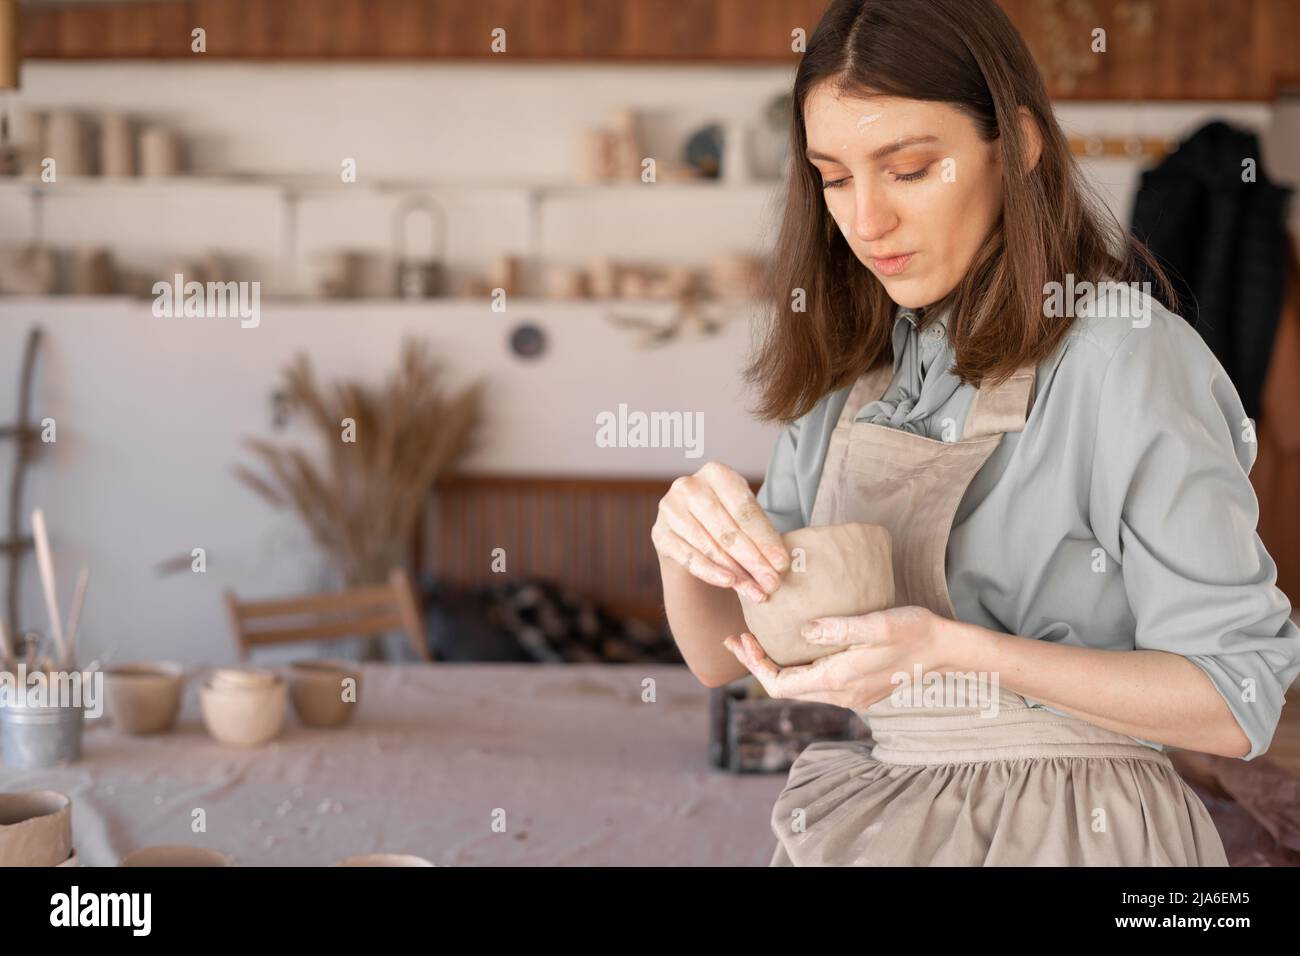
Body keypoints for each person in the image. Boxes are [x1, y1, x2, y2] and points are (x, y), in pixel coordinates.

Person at [652, 0, 1300, 866]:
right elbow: (721, 659)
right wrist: (682, 542)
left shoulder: (1120, 357)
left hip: (1080, 832)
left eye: (910, 169)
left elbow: (1236, 699)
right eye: (834, 177)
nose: (865, 221)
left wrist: (956, 653)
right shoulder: (852, 371)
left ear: (1020, 146)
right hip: (885, 822)